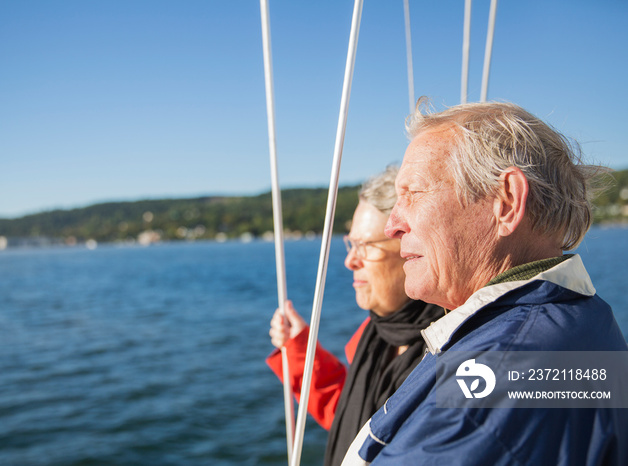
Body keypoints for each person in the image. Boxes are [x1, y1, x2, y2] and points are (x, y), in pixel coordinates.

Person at [342, 100, 628, 465]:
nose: (392, 225)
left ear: (506, 201)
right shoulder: (580, 320)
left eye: (413, 194)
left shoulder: (501, 377)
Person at [266, 166, 444, 466]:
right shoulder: (372, 336)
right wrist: (301, 351)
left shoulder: (455, 344)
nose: (350, 260)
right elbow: (357, 421)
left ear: (410, 246)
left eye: (366, 245)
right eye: (352, 243)